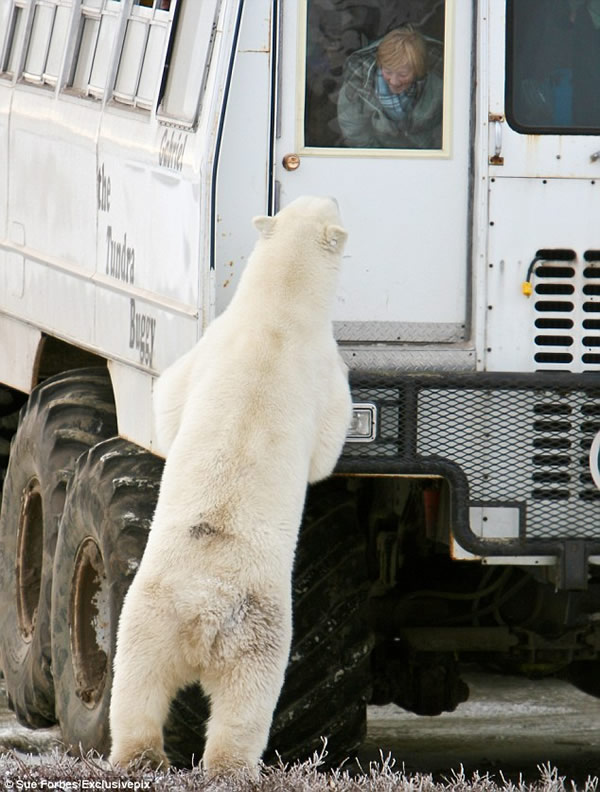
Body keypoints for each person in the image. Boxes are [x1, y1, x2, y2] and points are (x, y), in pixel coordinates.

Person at [336, 25, 443, 149]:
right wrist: (376, 156)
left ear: (418, 70)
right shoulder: (358, 84)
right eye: (388, 72)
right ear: (380, 64)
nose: (394, 81)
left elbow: (445, 129)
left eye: (403, 74)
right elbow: (352, 129)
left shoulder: (440, 84)